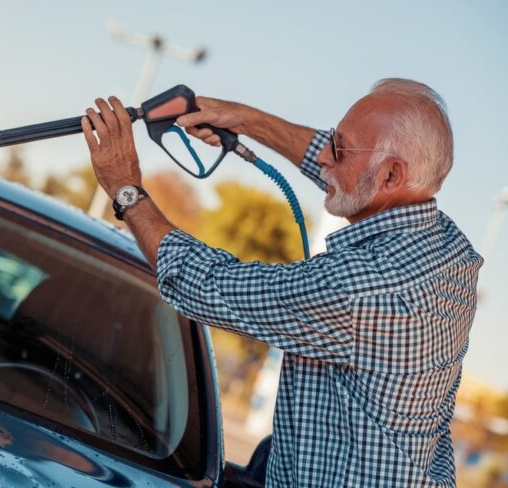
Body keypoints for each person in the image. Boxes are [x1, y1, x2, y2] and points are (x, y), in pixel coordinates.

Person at [80, 78, 482, 487]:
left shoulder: (367, 289)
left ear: (392, 175)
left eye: (338, 148)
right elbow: (354, 177)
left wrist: (125, 189)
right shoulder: (449, 251)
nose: (323, 155)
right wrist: (244, 119)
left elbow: (205, 284)